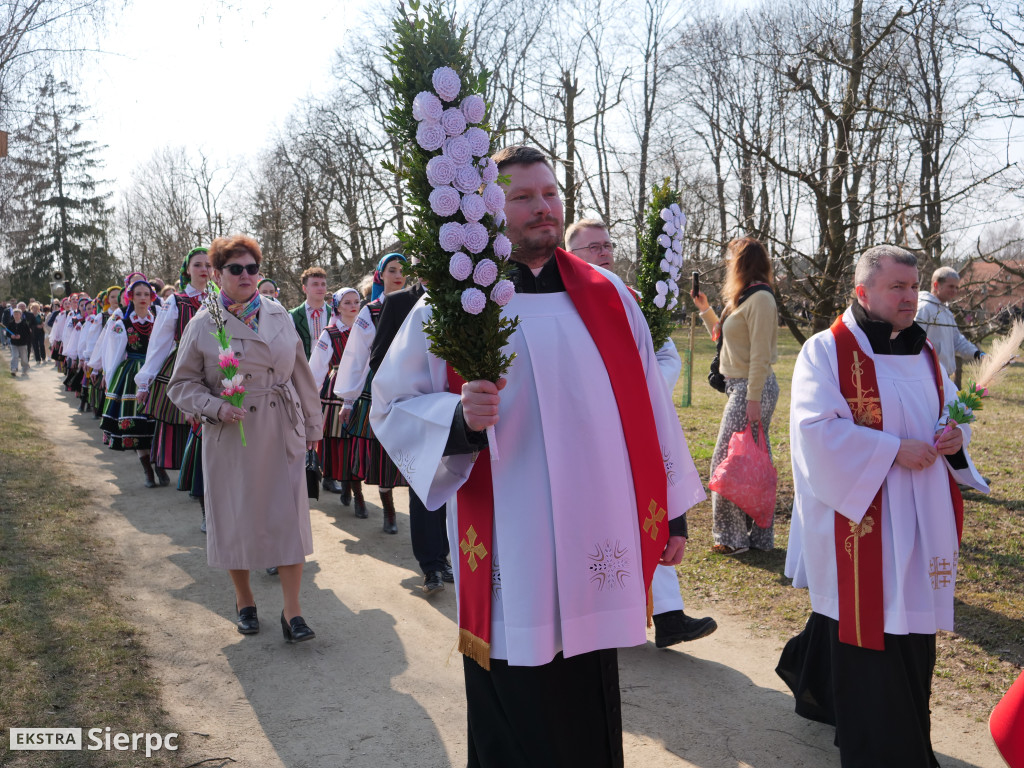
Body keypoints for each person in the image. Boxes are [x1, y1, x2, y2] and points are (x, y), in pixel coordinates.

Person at [371, 145, 706, 766]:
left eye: (549, 194)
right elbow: (389, 407)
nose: (542, 208)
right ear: (489, 211)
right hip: (509, 536)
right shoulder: (452, 306)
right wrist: (459, 422)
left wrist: (672, 514)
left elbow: (651, 409)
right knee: (513, 698)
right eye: (522, 197)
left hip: (596, 529)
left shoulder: (609, 297)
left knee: (589, 698)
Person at [776, 245, 988, 768]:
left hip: (922, 517)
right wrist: (894, 450)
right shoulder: (827, 351)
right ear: (863, 290)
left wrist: (952, 440)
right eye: (897, 287)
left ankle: (905, 736)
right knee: (868, 633)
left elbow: (943, 418)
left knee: (912, 634)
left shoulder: (924, 353)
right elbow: (815, 433)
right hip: (863, 518)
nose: (909, 297)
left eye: (913, 288)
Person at [566, 218, 717, 647]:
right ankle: (596, 611)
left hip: (639, 430)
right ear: (569, 255)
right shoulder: (561, 301)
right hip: (586, 439)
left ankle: (669, 616)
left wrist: (637, 393)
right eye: (592, 247)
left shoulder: (629, 297)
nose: (604, 252)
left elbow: (666, 357)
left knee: (655, 514)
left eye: (608, 244)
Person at [168, 234, 324, 643]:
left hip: (280, 426)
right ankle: (245, 600)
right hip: (231, 435)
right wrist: (215, 406)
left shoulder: (277, 314)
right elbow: (180, 385)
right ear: (217, 275)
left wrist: (312, 425)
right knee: (237, 521)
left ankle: (293, 612)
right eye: (235, 269)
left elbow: (301, 372)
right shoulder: (204, 322)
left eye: (252, 268)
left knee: (289, 519)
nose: (245, 275)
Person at [690, 238, 779, 555]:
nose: (728, 265)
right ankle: (756, 537)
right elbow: (723, 338)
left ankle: (732, 539)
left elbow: (760, 356)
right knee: (749, 462)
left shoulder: (761, 300)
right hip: (741, 387)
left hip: (751, 388)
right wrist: (706, 310)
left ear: (741, 263)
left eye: (731, 260)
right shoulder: (743, 299)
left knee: (726, 462)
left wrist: (753, 399)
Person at [367, 274, 454, 594]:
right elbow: (378, 358)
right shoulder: (399, 301)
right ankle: (432, 564)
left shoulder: (470, 296)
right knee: (427, 486)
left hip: (460, 405)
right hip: (420, 409)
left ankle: (454, 555)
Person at [335, 252, 409, 534]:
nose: (398, 275)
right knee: (379, 452)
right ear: (381, 275)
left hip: (411, 388)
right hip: (377, 388)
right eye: (392, 270)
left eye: (402, 270)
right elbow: (356, 356)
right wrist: (349, 399)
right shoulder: (371, 311)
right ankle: (388, 511)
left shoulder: (418, 305)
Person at [136, 248, 215, 485]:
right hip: (183, 365)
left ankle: (209, 478)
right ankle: (195, 480)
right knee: (186, 425)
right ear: (187, 270)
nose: (204, 270)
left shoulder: (219, 298)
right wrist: (145, 380)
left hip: (215, 367)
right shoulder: (176, 301)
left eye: (208, 265)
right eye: (198, 265)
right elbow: (159, 343)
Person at [100, 277, 165, 489]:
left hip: (156, 373)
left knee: (156, 423)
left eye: (147, 294)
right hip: (131, 376)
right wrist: (111, 382)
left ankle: (159, 464)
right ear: (130, 298)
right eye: (138, 294)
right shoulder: (121, 324)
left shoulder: (160, 321)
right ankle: (147, 469)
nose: (143, 298)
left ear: (152, 297)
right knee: (137, 423)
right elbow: (114, 355)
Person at [308, 287, 361, 503]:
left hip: (360, 388)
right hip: (336, 391)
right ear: (337, 307)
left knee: (357, 441)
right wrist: (310, 399)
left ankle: (353, 488)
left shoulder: (365, 329)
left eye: (356, 301)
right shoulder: (329, 333)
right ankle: (345, 485)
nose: (353, 305)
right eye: (347, 302)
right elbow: (317, 368)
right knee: (339, 440)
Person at [915, 266, 984, 378]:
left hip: (942, 377)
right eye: (951, 286)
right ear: (936, 285)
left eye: (957, 287)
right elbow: (913, 343)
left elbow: (957, 340)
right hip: (927, 376)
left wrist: (977, 354)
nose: (955, 291)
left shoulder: (946, 312)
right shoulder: (924, 308)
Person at [289, 267, 331, 359]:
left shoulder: (334, 314)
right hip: (303, 369)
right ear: (305, 288)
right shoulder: (292, 316)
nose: (320, 288)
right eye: (315, 284)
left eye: (323, 284)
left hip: (330, 369)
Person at [4, 307, 32, 376]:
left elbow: (28, 333)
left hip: (23, 343)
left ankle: (25, 369)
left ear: (20, 315)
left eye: (17, 314)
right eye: (14, 314)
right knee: (14, 356)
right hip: (14, 343)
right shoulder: (11, 323)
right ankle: (14, 369)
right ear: (13, 315)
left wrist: (21, 336)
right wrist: (11, 336)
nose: (16, 316)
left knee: (24, 357)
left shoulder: (24, 323)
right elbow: (7, 333)